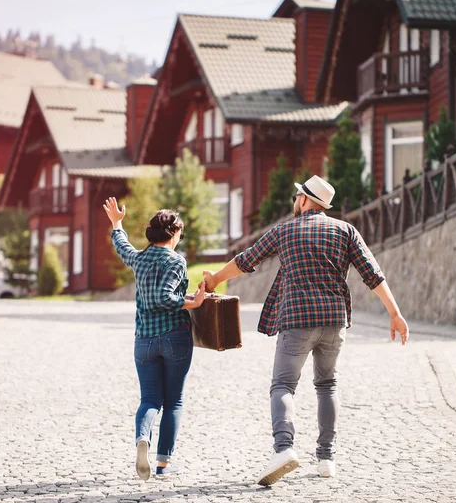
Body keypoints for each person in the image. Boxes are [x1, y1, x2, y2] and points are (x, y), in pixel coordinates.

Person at [202, 176, 409, 486]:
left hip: (296, 319)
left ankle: (284, 449)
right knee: (327, 385)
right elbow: (372, 274)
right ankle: (327, 459)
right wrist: (395, 313)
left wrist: (216, 279)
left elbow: (246, 261)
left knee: (283, 385)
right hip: (334, 321)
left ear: (302, 200)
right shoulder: (344, 230)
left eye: (296, 196)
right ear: (323, 206)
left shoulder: (285, 231)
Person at [103, 198, 206, 480]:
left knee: (149, 399)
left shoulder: (140, 258)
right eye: (180, 234)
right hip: (175, 338)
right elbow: (165, 297)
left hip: (144, 341)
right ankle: (162, 464)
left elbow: (122, 247)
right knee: (174, 402)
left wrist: (117, 223)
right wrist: (192, 303)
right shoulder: (176, 261)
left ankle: (142, 440)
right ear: (173, 233)